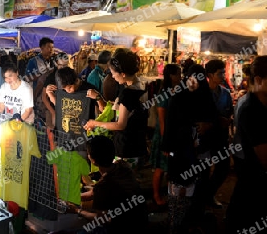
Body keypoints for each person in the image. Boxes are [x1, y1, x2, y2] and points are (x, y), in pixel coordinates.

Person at [161, 64, 217, 233]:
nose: (194, 83)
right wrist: (168, 147)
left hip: (202, 151)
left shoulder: (206, 96)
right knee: (180, 186)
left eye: (198, 79)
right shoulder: (178, 96)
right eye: (192, 79)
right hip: (181, 151)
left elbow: (214, 118)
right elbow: (170, 123)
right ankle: (178, 221)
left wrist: (208, 125)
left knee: (200, 184)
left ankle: (194, 220)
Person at [65, 135, 147, 234]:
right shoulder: (122, 166)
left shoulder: (104, 186)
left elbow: (101, 219)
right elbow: (93, 193)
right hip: (141, 220)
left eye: (88, 153)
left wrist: (77, 211)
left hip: (125, 228)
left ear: (93, 160)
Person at [84, 51, 148, 170]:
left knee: (122, 182)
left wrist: (95, 123)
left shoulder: (128, 94)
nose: (112, 76)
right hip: (139, 145)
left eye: (113, 73)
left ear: (122, 74)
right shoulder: (141, 86)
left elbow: (120, 125)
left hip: (126, 149)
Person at [225, 56, 267, 234]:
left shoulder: (260, 104)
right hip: (252, 174)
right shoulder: (251, 108)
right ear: (258, 80)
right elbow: (264, 155)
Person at [149, 64, 181, 206]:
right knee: (160, 168)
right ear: (171, 76)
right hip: (164, 135)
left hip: (172, 134)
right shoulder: (165, 93)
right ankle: (156, 196)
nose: (181, 77)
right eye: (178, 74)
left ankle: (168, 194)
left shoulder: (177, 91)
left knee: (170, 167)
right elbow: (162, 119)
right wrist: (165, 139)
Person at [204, 59, 233, 208]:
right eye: (220, 73)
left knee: (223, 168)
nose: (223, 75)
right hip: (204, 139)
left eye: (223, 72)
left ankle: (209, 194)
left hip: (221, 138)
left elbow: (229, 113)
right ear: (210, 75)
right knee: (203, 170)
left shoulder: (226, 93)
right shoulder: (201, 94)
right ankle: (202, 199)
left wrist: (227, 121)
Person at [43, 52, 70, 128]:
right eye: (60, 65)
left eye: (65, 65)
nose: (63, 67)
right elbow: (44, 97)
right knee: (52, 135)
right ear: (56, 64)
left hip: (67, 112)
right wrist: (53, 112)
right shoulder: (51, 77)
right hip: (52, 109)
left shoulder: (71, 76)